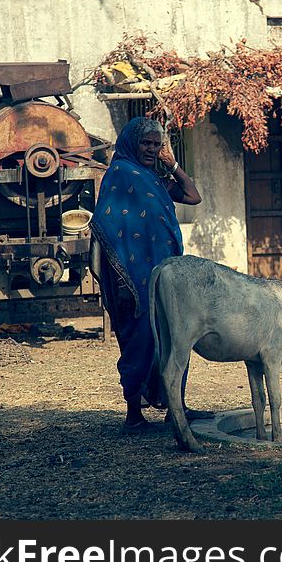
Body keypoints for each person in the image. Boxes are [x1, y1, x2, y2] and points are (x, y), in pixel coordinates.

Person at [90, 117, 209, 430]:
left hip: (165, 275)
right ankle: (134, 414)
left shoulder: (155, 176)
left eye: (157, 145)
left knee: (174, 337)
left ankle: (175, 408)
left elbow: (193, 196)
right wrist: (123, 277)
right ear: (132, 142)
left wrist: (173, 165)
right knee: (139, 340)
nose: (152, 149)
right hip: (132, 278)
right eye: (146, 143)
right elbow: (107, 225)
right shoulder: (119, 174)